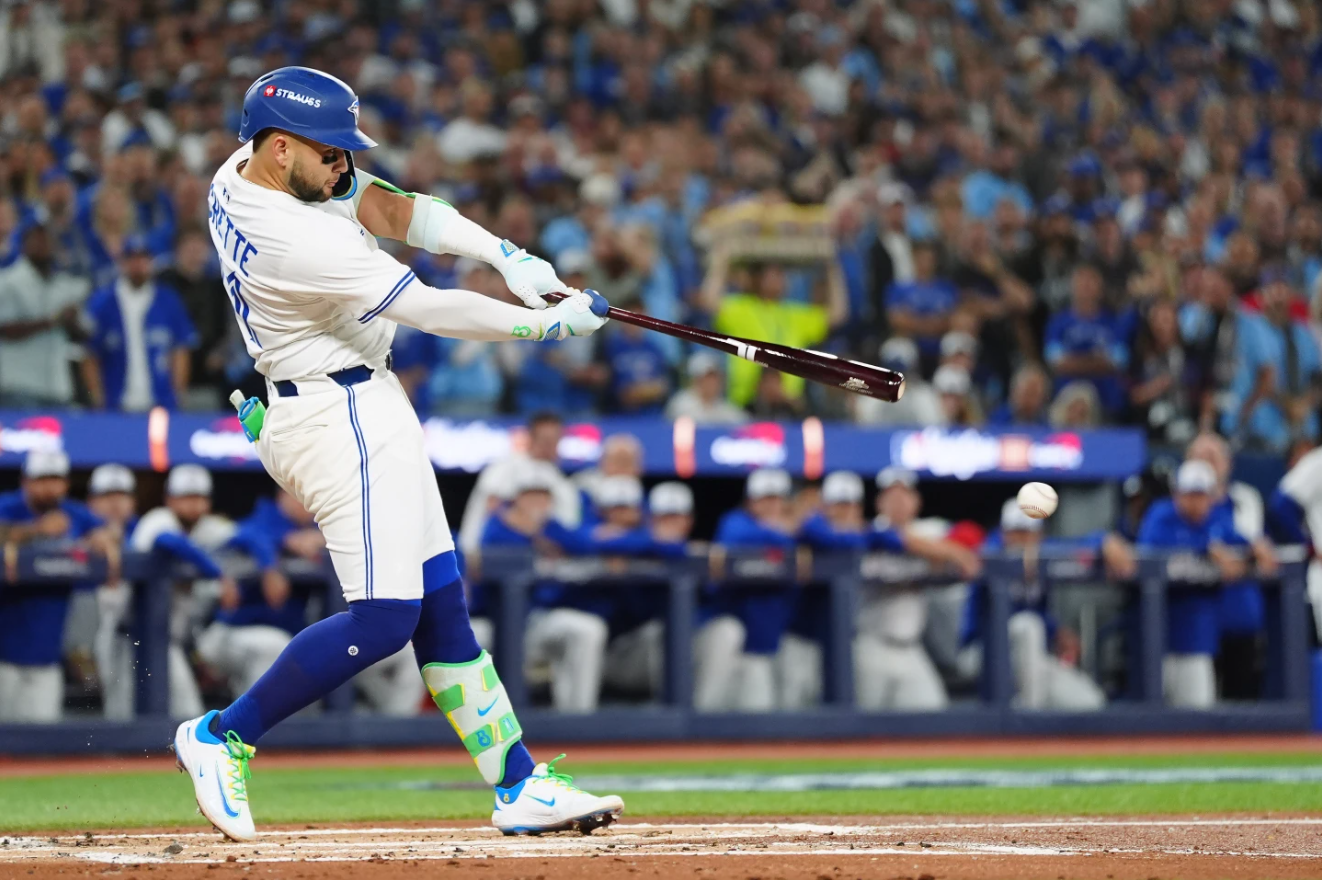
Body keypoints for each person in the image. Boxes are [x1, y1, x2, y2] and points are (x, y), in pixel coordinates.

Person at [172, 67, 620, 842]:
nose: (343, 165)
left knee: (442, 608)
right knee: (384, 620)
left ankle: (518, 785)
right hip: (336, 415)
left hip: (356, 399)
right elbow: (431, 310)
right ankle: (222, 735)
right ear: (281, 149)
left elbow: (390, 207)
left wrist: (506, 255)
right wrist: (544, 325)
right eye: (329, 153)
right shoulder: (298, 238)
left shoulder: (244, 168)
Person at [794, 470, 980, 711]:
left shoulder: (929, 533)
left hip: (912, 648)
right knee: (862, 722)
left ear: (916, 500)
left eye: (905, 495)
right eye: (892, 496)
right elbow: (888, 540)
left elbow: (970, 536)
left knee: (934, 716)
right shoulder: (869, 534)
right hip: (871, 644)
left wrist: (952, 551)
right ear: (878, 502)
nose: (899, 502)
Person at [959, 499, 1123, 710]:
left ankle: (1030, 710)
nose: (1021, 539)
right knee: (1028, 626)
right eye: (1015, 532)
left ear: (1039, 534)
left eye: (1028, 532)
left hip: (1031, 659)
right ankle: (1027, 717)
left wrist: (1104, 541)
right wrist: (1016, 561)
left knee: (1089, 702)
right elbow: (1002, 613)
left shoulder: (1042, 551)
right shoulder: (989, 552)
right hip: (981, 651)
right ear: (1003, 532)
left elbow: (1075, 545)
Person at [480, 461, 610, 713]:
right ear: (516, 498)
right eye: (530, 495)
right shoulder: (496, 527)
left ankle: (578, 720)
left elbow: (586, 545)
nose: (538, 502)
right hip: (493, 625)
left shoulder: (549, 526)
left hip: (534, 622)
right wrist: (533, 540)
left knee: (588, 630)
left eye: (543, 496)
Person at [0, 451, 107, 723]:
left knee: (42, 740)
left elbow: (110, 533)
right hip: (5, 654)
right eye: (41, 480)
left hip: (47, 655)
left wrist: (101, 537)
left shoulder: (74, 513)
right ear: (25, 482)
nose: (49, 487)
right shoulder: (9, 507)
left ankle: (81, 653)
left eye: (55, 480)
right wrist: (35, 530)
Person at [1138, 460, 1253, 709]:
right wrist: (1206, 549)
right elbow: (1148, 552)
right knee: (1150, 719)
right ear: (1177, 494)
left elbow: (1244, 544)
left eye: (1201, 495)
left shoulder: (1218, 520)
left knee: (1198, 716)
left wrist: (1257, 548)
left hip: (1196, 640)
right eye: (1189, 494)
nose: (1195, 502)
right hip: (1154, 638)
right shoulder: (1162, 515)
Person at [709, 468, 800, 711]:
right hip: (742, 649)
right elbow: (736, 537)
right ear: (750, 501)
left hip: (785, 643)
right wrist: (778, 533)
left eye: (776, 499)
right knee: (758, 711)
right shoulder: (735, 522)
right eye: (764, 499)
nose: (771, 505)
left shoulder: (797, 528)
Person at [82, 234, 199, 411]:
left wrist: (178, 395)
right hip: (115, 405)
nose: (137, 265)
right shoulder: (103, 302)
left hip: (161, 404)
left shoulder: (168, 300)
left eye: (143, 258)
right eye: (132, 258)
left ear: (151, 262)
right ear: (122, 262)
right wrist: (98, 398)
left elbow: (180, 350)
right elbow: (90, 354)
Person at [458, 411, 581, 555]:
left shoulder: (560, 479)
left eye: (554, 439)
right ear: (531, 438)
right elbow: (493, 506)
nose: (549, 445)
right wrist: (538, 537)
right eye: (545, 439)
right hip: (493, 551)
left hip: (543, 558)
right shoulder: (506, 466)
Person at [0, 222, 90, 407]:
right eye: (37, 240)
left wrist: (72, 321)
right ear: (24, 246)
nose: (43, 246)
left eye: (48, 241)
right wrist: (52, 321)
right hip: (18, 385)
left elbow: (84, 335)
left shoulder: (64, 284)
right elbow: (5, 329)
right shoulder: (8, 281)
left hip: (57, 386)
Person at [664, 352, 748, 425]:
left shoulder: (724, 406)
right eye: (707, 378)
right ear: (696, 380)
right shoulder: (681, 404)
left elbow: (745, 423)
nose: (712, 382)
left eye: (715, 377)